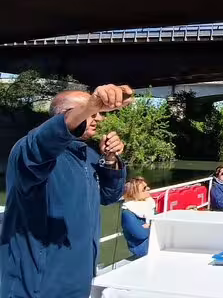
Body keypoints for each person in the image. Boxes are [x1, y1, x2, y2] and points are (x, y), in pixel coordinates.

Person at [0, 84, 131, 298]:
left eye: (98, 112)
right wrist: (91, 104)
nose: (100, 118)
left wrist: (110, 160)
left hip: (80, 280)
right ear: (63, 116)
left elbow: (110, 196)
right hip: (37, 287)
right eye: (92, 112)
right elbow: (43, 141)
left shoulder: (87, 155)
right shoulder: (30, 151)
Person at [121, 177, 155, 258]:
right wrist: (152, 225)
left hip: (153, 242)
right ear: (134, 193)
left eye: (147, 186)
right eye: (144, 188)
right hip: (143, 249)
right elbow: (142, 234)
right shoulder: (127, 213)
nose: (149, 188)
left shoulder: (149, 205)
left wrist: (149, 225)